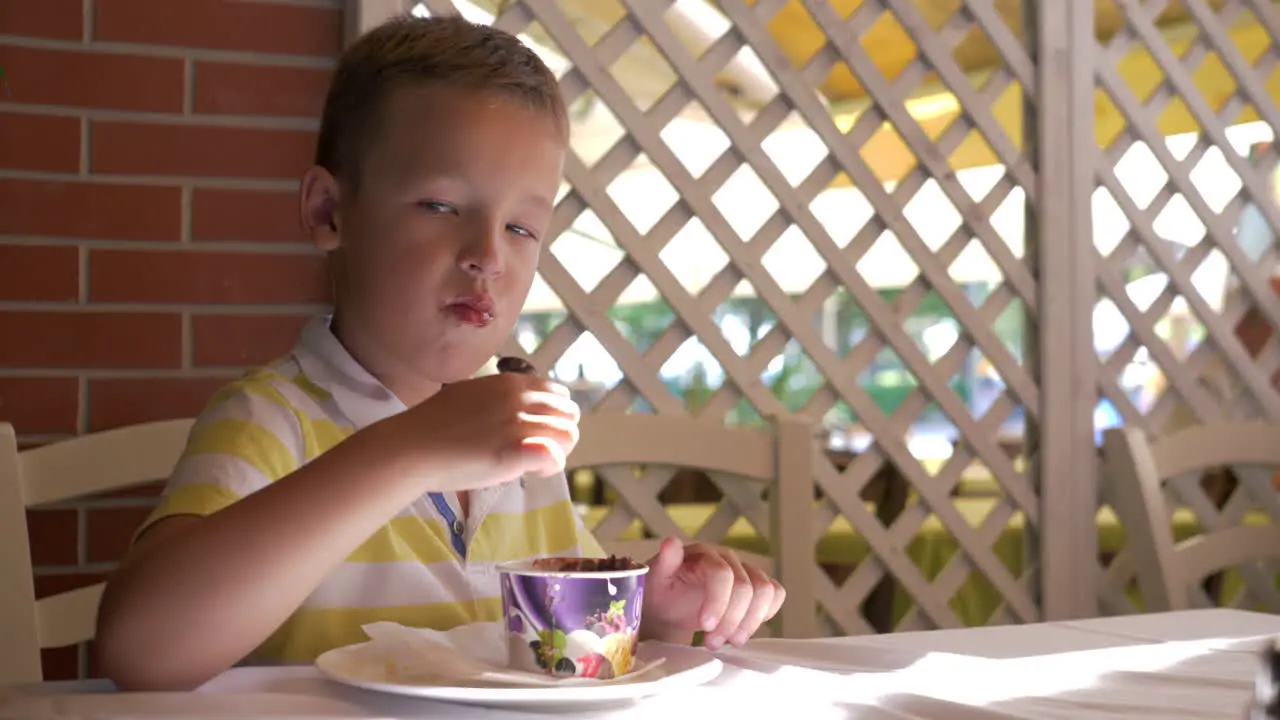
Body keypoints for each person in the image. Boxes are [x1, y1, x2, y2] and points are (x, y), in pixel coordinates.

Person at [94, 14, 784, 691]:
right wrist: (408, 450)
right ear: (329, 213)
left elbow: (555, 648)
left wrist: (651, 616)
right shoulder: (272, 421)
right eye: (440, 206)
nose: (487, 255)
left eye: (521, 226)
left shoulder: (523, 453)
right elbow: (141, 650)